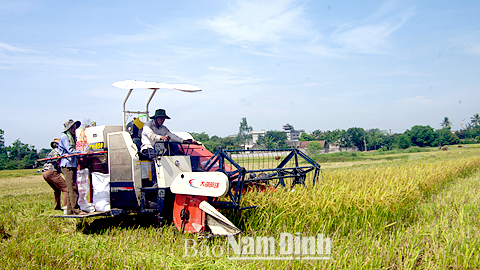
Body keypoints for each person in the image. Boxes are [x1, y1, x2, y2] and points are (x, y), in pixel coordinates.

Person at [140, 109, 193, 186]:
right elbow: (151, 136)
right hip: (148, 148)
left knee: (172, 157)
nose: (162, 120)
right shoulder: (147, 125)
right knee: (156, 159)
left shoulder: (163, 128)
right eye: (161, 118)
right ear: (155, 118)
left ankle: (173, 179)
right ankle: (155, 182)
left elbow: (172, 136)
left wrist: (183, 141)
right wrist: (161, 137)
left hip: (159, 150)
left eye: (164, 119)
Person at [58, 119, 92, 215]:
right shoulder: (65, 137)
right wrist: (83, 152)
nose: (74, 129)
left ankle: (70, 211)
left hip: (72, 164)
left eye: (74, 127)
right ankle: (76, 210)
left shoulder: (72, 138)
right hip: (67, 165)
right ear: (68, 129)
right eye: (72, 127)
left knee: (71, 188)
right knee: (73, 188)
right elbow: (70, 151)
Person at [41, 138, 68, 211]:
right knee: (66, 188)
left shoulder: (51, 152)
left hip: (44, 172)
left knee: (57, 189)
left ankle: (57, 207)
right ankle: (66, 206)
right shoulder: (59, 151)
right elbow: (59, 163)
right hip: (51, 171)